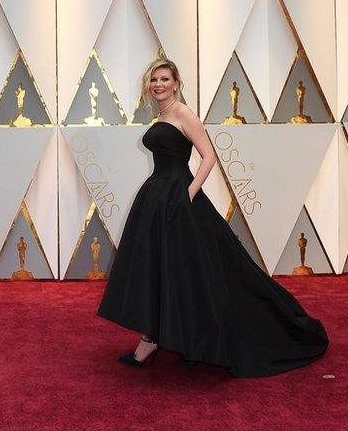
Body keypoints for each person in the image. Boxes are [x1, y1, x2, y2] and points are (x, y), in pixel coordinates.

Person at [98, 58, 328, 377]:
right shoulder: (162, 114)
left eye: (165, 79)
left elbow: (208, 156)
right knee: (161, 269)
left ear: (177, 84)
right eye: (154, 80)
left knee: (200, 272)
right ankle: (151, 337)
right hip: (156, 196)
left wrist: (189, 193)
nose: (159, 84)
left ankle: (195, 338)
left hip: (177, 197)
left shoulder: (182, 113)